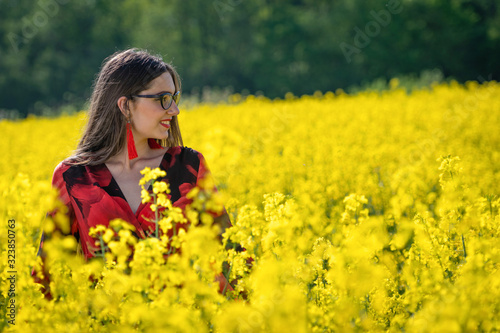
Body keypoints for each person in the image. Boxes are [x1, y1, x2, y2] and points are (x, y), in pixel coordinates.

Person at [34, 48, 233, 296]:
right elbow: (46, 277)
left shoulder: (189, 167)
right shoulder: (73, 177)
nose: (174, 110)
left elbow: (229, 257)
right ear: (126, 106)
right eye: (162, 99)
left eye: (174, 98)